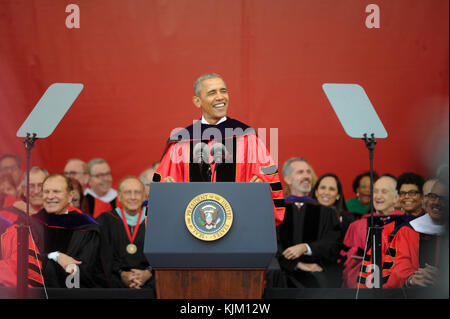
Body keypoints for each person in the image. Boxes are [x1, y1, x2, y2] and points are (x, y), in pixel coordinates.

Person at [152, 73, 285, 226]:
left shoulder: (247, 138)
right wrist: (167, 189)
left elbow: (269, 181)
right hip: (191, 231)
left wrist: (261, 188)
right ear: (197, 101)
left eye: (223, 91)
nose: (220, 97)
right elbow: (164, 188)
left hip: (239, 229)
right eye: (212, 93)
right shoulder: (182, 142)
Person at [0, 174, 105, 288]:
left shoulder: (86, 227)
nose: (50, 196)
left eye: (56, 191)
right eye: (46, 192)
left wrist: (49, 259)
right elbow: (23, 262)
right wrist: (56, 256)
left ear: (70, 196)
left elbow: (85, 269)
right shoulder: (30, 225)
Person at [277, 159, 341, 288]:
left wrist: (306, 247)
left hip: (315, 272)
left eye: (308, 172)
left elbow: (333, 243)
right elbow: (271, 243)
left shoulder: (326, 212)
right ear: (288, 179)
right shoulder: (276, 209)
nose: (307, 176)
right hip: (282, 272)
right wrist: (296, 265)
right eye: (300, 172)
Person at [381, 179, 448, 288]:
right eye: (433, 196)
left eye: (444, 199)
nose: (436, 202)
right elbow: (399, 267)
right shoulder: (409, 230)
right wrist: (411, 278)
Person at [339, 175, 403, 288]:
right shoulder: (357, 225)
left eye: (384, 192)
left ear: (396, 198)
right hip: (361, 285)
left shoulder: (405, 225)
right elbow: (346, 261)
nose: (378, 196)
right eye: (375, 191)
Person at [96, 176, 154, 291]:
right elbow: (102, 257)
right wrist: (122, 274)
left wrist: (148, 273)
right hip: (115, 284)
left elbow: (162, 254)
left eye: (137, 192)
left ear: (144, 196)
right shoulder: (105, 220)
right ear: (119, 196)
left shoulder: (155, 219)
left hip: (149, 283)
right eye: (128, 192)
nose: (133, 197)